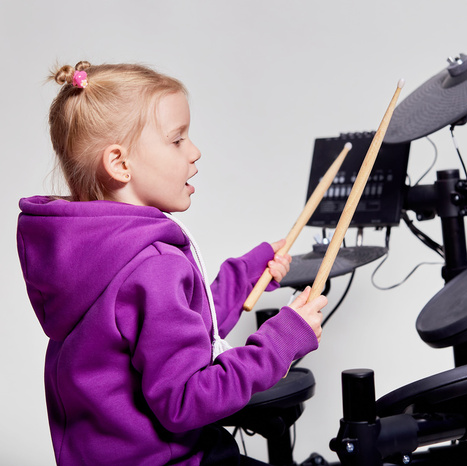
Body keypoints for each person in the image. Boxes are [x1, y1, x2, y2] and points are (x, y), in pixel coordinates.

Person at [16, 61, 327, 465]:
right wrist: (282, 340)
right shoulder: (153, 264)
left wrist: (248, 273)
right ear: (120, 164)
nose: (194, 152)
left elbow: (176, 329)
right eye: (177, 140)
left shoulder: (86, 257)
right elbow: (186, 401)